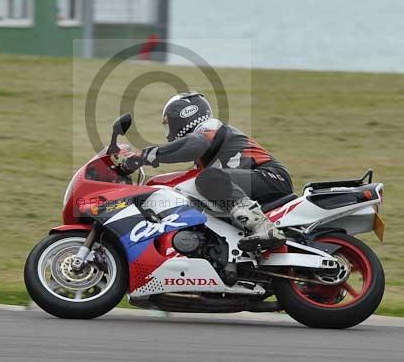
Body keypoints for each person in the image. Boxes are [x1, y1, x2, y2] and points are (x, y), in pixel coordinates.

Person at [123, 91, 293, 251]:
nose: (168, 130)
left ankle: (262, 227)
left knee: (208, 178)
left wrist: (147, 155)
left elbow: (195, 144)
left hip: (270, 176)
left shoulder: (208, 127)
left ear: (182, 118)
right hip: (253, 183)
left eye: (169, 123)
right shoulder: (203, 157)